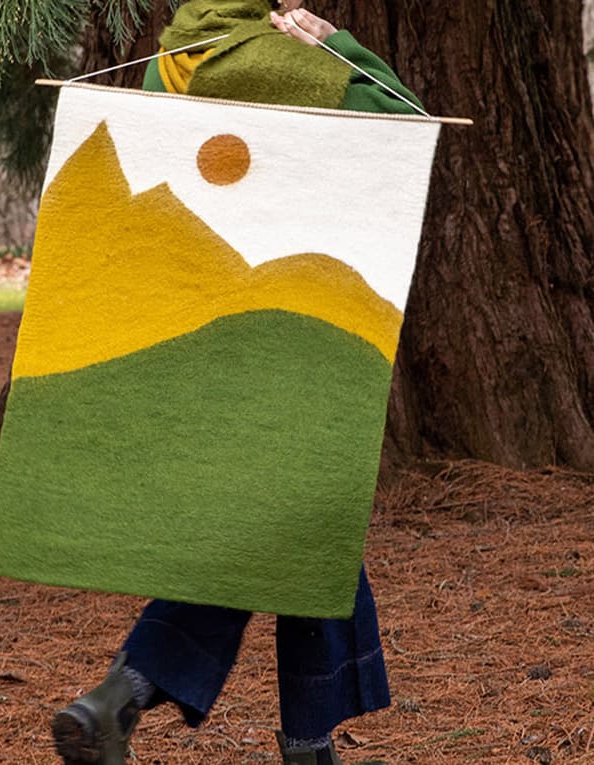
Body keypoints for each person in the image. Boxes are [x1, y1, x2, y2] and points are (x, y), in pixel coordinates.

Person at [51, 2, 424, 764]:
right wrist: (340, 46)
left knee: (287, 530)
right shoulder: (281, 60)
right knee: (304, 525)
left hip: (185, 342)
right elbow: (405, 120)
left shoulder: (163, 63)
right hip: (285, 331)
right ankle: (140, 698)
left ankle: (133, 704)